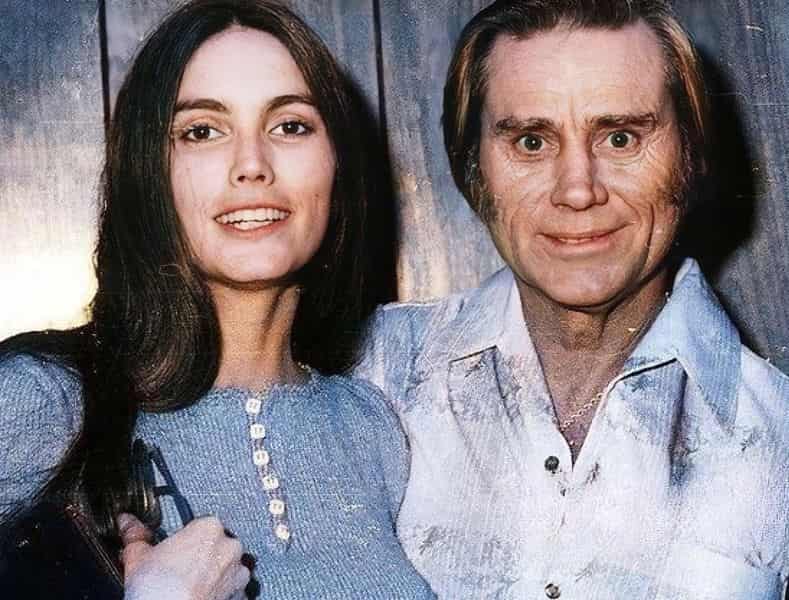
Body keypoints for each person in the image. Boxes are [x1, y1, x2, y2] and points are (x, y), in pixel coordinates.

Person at [0, 1, 434, 598]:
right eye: (202, 132)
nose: (252, 165)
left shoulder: (370, 427)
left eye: (290, 126)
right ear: (148, 172)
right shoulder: (46, 400)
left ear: (338, 165)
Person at [355, 1, 789, 598]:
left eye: (620, 137)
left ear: (690, 157)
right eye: (532, 141)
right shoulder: (365, 377)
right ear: (474, 170)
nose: (578, 190)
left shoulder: (780, 435)